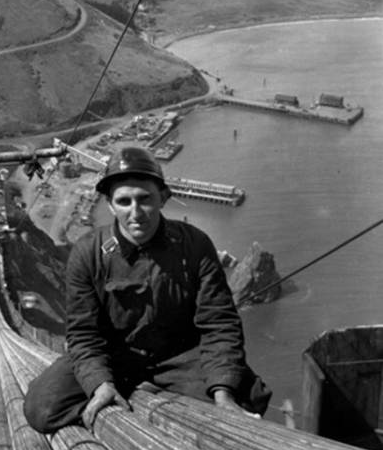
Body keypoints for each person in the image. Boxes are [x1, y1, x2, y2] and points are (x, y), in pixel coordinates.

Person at [24, 146, 271, 433]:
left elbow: (219, 323)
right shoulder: (87, 254)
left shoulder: (194, 244)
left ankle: (144, 392)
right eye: (124, 201)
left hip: (179, 357)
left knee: (249, 396)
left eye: (145, 199)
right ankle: (121, 401)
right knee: (42, 407)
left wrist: (223, 393)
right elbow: (83, 333)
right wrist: (99, 384)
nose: (135, 212)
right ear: (110, 204)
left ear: (163, 198)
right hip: (113, 356)